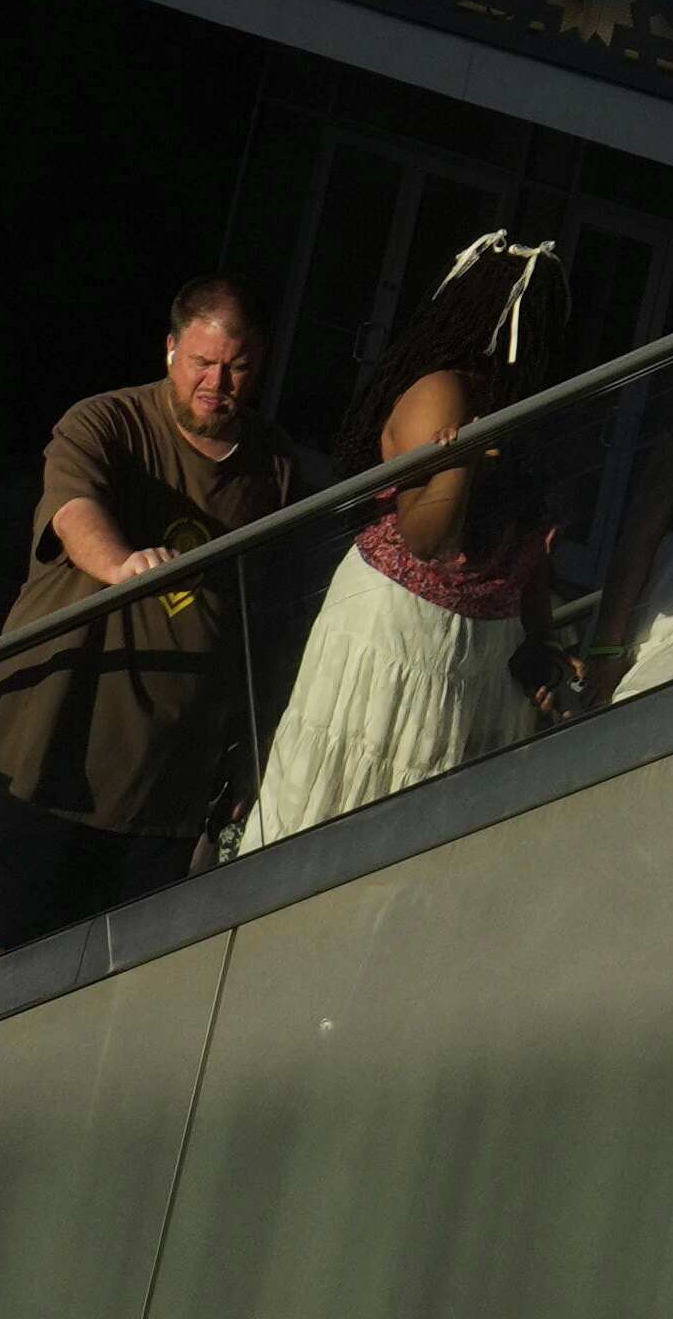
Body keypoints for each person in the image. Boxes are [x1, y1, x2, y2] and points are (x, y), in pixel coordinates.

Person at [0, 278, 292, 983]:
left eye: (235, 367)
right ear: (171, 348)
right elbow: (74, 508)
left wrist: (248, 751)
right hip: (55, 746)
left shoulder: (272, 463)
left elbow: (262, 616)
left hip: (172, 775)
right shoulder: (108, 421)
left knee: (106, 968)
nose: (216, 383)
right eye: (201, 363)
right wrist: (122, 564)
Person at [235, 236, 571, 855]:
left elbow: (531, 552)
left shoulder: (520, 408)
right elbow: (426, 539)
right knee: (349, 807)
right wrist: (461, 460)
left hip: (479, 658)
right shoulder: (444, 392)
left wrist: (544, 641)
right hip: (402, 635)